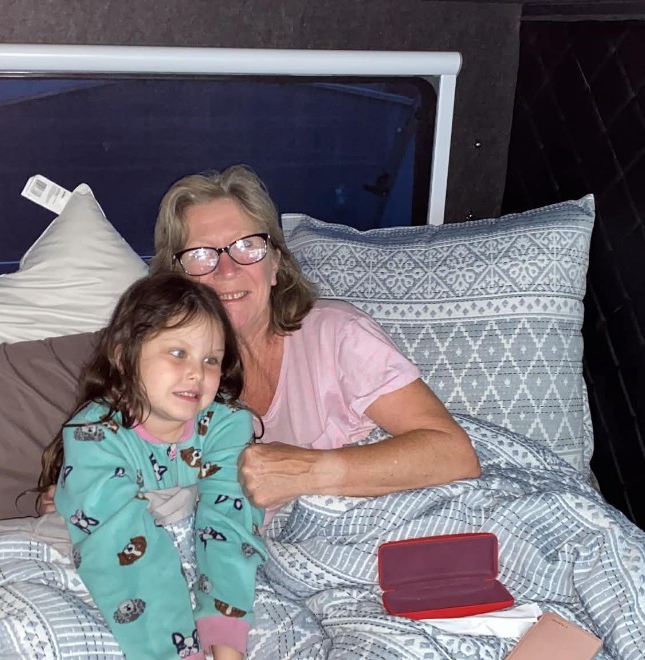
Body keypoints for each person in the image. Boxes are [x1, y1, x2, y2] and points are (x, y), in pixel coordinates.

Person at [41, 164, 481, 527]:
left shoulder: (338, 337)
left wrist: (307, 472)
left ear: (275, 265)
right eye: (201, 255)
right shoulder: (167, 372)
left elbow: (453, 453)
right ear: (176, 281)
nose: (227, 270)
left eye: (247, 246)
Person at [40, 271, 266, 660]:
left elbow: (229, 523)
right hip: (119, 576)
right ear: (123, 356)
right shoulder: (95, 434)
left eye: (211, 359)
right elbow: (120, 545)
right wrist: (180, 652)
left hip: (208, 572)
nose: (197, 373)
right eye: (178, 353)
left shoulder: (226, 424)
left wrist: (227, 644)